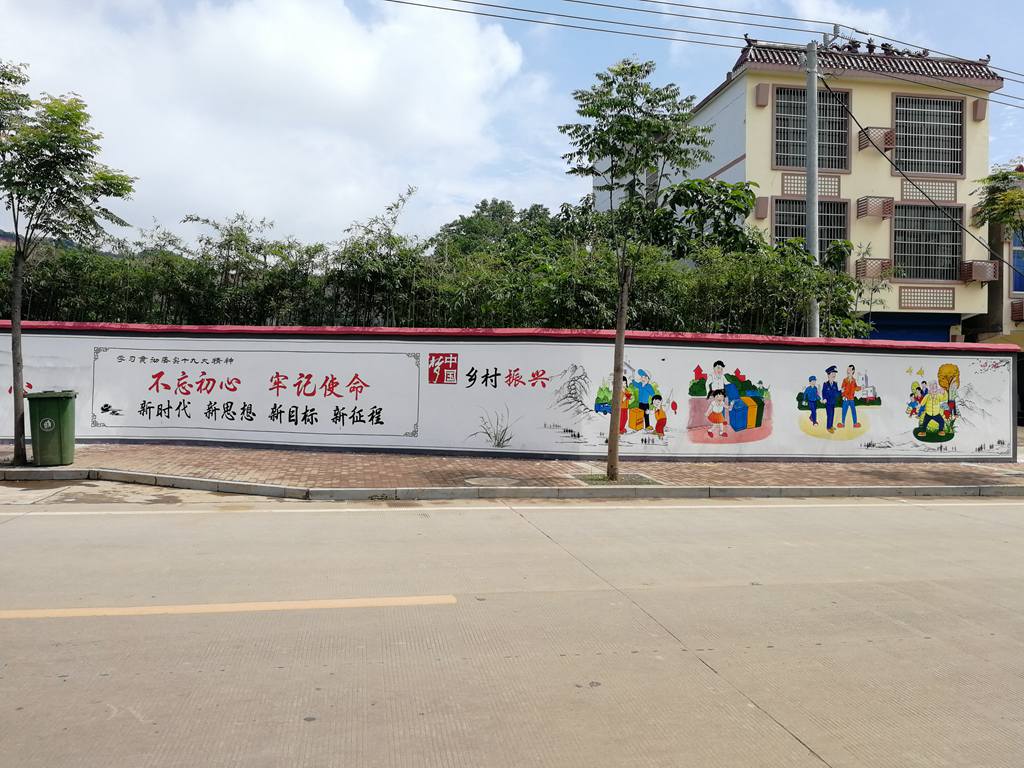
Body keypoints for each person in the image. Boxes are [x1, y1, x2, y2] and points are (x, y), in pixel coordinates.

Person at [838, 364, 861, 429]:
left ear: (853, 371)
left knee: (853, 411)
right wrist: (843, 395)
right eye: (847, 370)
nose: (848, 371)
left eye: (850, 370)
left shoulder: (854, 380)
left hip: (851, 399)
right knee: (844, 411)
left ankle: (855, 423)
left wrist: (860, 388)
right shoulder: (845, 380)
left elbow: (856, 388)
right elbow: (842, 389)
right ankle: (842, 423)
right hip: (845, 398)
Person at [821, 365, 841, 433]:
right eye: (832, 373)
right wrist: (824, 398)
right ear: (828, 375)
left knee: (832, 414)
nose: (834, 375)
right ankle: (828, 427)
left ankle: (831, 426)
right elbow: (823, 392)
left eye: (835, 374)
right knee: (829, 415)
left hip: (833, 402)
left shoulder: (835, 384)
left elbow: (836, 393)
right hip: (828, 403)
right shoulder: (825, 384)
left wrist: (841, 391)